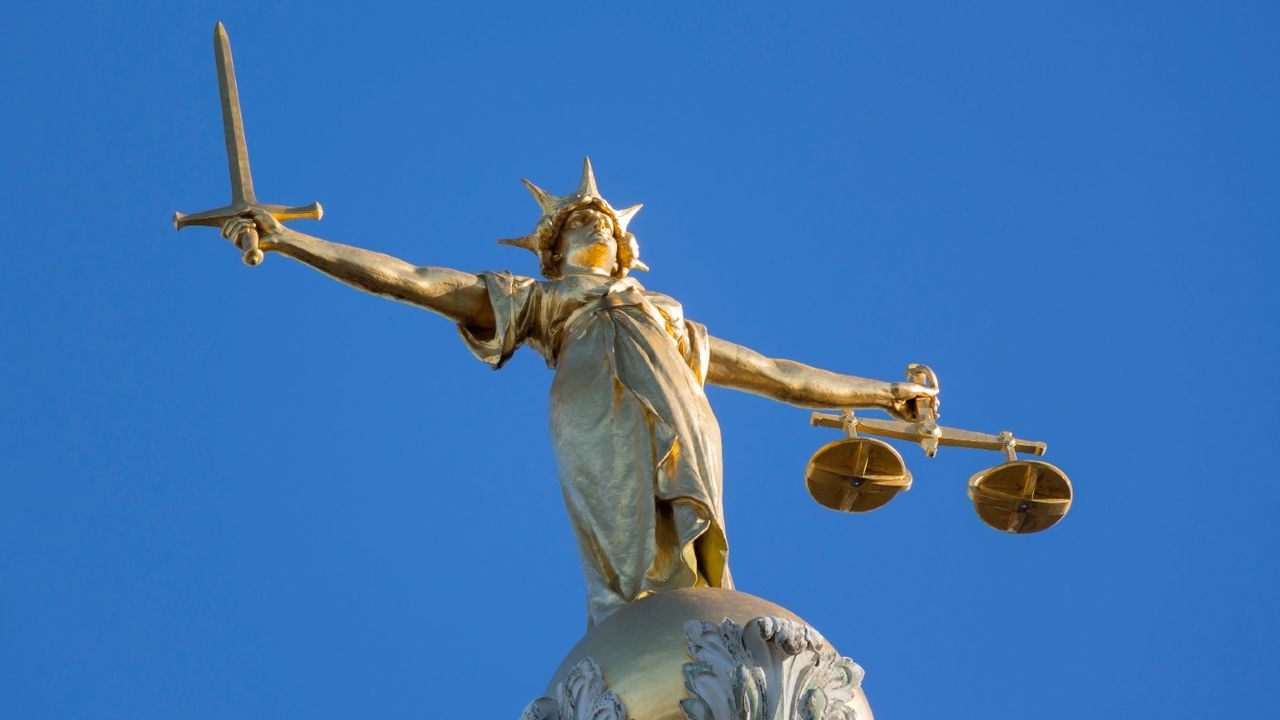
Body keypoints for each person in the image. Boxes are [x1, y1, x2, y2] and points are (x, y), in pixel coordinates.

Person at [219, 159, 938, 625]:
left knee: (690, 547)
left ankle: (692, 607)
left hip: (682, 410)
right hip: (594, 408)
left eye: (600, 218)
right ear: (554, 247)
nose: (592, 217)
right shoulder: (540, 300)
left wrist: (882, 395)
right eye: (574, 220)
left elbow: (774, 373)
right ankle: (635, 625)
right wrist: (292, 242)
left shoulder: (668, 316)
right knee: (624, 546)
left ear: (626, 246)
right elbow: (414, 280)